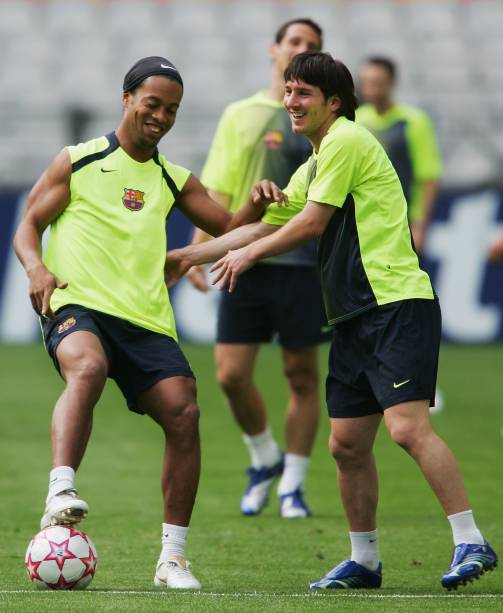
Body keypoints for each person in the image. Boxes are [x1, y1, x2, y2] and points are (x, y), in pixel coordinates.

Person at [166, 52, 497, 591]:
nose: (291, 103)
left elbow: (311, 224)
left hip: (394, 303)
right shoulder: (316, 160)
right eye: (288, 92)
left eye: (303, 94)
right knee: (345, 444)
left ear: (333, 103)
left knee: (407, 429)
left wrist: (246, 258)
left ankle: (470, 539)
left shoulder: (346, 139)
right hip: (353, 314)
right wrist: (188, 257)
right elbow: (260, 225)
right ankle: (364, 561)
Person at [13, 56, 283, 590]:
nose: (161, 116)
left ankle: (172, 560)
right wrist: (37, 266)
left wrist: (254, 203)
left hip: (144, 318)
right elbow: (29, 223)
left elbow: (231, 230)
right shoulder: (80, 159)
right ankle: (61, 488)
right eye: (152, 103)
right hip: (78, 303)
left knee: (184, 412)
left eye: (172, 109)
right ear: (127, 99)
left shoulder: (171, 177)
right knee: (86, 368)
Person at [186, 18, 329, 519]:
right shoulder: (242, 114)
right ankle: (264, 457)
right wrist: (200, 247)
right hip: (246, 254)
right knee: (229, 375)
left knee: (301, 374)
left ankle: (292, 482)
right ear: (274, 50)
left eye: (312, 46)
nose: (302, 49)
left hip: (303, 260)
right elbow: (219, 188)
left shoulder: (327, 120)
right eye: (295, 42)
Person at [356, 56, 442, 254]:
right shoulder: (357, 119)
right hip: (363, 221)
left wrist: (419, 226)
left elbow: (429, 177)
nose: (371, 88)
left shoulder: (413, 121)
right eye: (366, 82)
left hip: (402, 221)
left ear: (392, 83)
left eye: (377, 82)